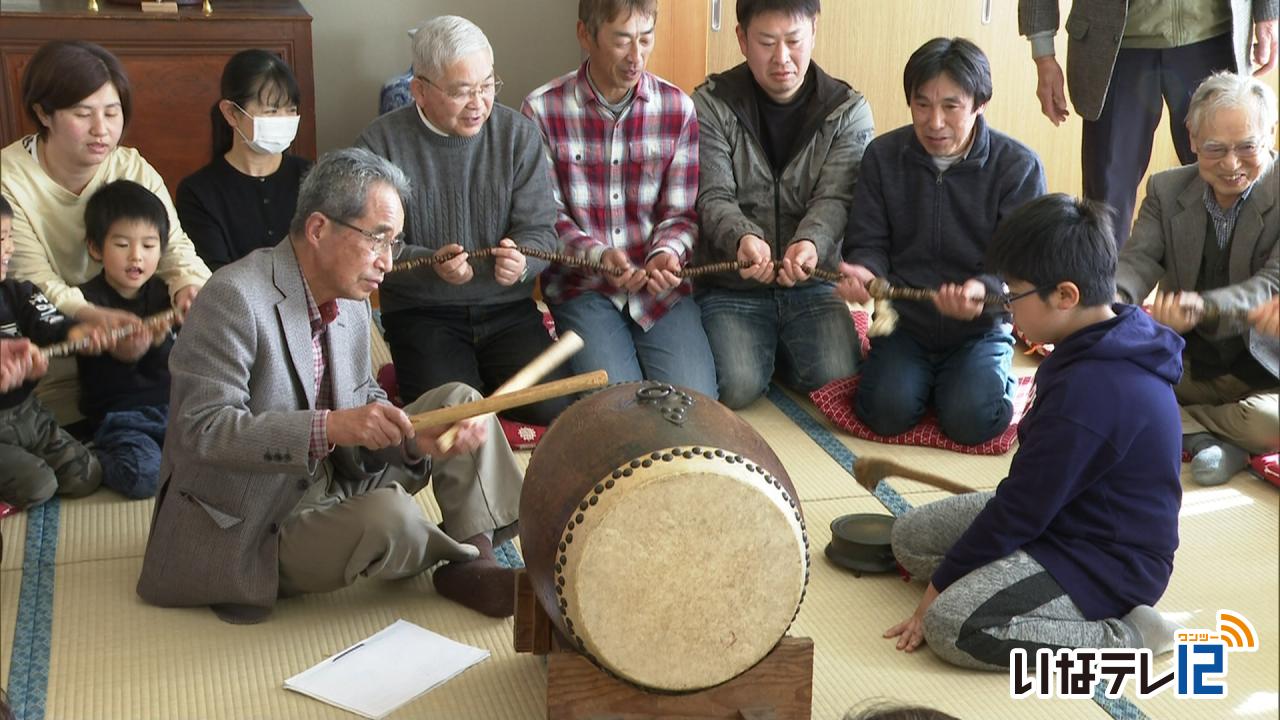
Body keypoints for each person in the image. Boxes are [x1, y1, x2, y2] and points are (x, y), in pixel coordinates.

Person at [136, 148, 525, 623]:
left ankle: (475, 557)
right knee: (390, 517)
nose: (386, 261)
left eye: (395, 244)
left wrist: (409, 439)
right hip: (257, 517)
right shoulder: (233, 297)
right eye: (377, 239)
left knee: (462, 402)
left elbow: (364, 399)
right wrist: (332, 427)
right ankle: (459, 555)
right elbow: (203, 430)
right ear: (318, 228)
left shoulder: (354, 298)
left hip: (337, 478)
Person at [886, 193, 1184, 671]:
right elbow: (1025, 502)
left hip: (1103, 561)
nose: (1006, 306)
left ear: (1065, 295)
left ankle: (1128, 636)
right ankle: (1004, 579)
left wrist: (933, 597)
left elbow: (1020, 510)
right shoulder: (1103, 334)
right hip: (1056, 515)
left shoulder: (1096, 391)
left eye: (1013, 294)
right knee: (910, 540)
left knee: (954, 627)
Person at [357, 16, 569, 425]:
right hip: (423, 313)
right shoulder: (380, 143)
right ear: (419, 90)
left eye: (487, 86)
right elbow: (370, 244)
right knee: (453, 416)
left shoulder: (517, 135)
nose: (479, 103)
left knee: (553, 408)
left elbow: (542, 232)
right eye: (461, 91)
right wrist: (429, 263)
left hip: (507, 310)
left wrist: (524, 261)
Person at [838, 38, 1046, 445]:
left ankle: (981, 379)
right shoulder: (883, 156)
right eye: (922, 104)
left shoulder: (1018, 166)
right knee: (884, 412)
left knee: (974, 421)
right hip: (904, 323)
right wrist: (865, 271)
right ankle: (926, 382)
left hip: (980, 329)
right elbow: (867, 240)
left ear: (980, 104)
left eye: (951, 106)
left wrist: (984, 289)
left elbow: (1023, 266)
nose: (934, 122)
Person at [0, 40, 210, 425]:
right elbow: (35, 282)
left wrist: (188, 284)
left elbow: (174, 247)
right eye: (83, 114)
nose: (102, 130)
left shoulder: (131, 167)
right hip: (61, 348)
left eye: (112, 113)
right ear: (43, 114)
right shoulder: (9, 180)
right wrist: (91, 316)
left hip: (142, 341)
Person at [522, 0, 718, 398]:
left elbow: (681, 213)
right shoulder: (542, 109)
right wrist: (599, 256)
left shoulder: (677, 108)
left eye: (646, 39)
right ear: (585, 35)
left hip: (659, 291)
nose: (636, 57)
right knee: (617, 405)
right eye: (622, 41)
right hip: (584, 288)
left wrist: (667, 253)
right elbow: (546, 219)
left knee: (697, 402)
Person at [691, 0, 871, 409]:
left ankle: (776, 350)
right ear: (742, 39)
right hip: (732, 282)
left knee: (837, 380)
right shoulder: (712, 103)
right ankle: (764, 353)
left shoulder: (848, 110)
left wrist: (809, 243)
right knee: (735, 387)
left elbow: (836, 198)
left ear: (814, 30)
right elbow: (712, 194)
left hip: (811, 282)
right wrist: (743, 238)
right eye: (767, 42)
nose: (782, 58)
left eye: (793, 40)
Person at [1117, 72, 1279, 486]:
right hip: (1191, 363)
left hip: (1267, 369)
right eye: (1215, 149)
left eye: (1247, 147)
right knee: (1112, 385)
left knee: (1269, 422)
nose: (1231, 164)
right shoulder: (1166, 190)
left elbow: (1270, 285)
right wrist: (1111, 303)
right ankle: (1218, 440)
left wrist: (1202, 306)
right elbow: (1136, 263)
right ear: (1191, 139)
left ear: (1270, 134)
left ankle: (1196, 433)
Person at [1018, 0, 1278, 247]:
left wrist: (1268, 12)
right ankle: (1104, 289)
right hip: (1115, 46)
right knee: (1107, 198)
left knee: (1229, 181)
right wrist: (1043, 53)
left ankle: (1224, 291)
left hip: (1212, 35)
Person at [0, 195, 104, 509]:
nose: (9, 248)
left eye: (9, 237)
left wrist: (78, 332)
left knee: (88, 477)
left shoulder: (17, 292)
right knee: (39, 487)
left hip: (29, 413)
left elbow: (51, 323)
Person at [75, 181, 178, 499]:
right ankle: (87, 457)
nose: (136, 257)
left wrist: (167, 336)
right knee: (144, 478)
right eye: (122, 245)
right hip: (119, 417)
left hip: (174, 410)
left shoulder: (168, 294)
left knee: (220, 460)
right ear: (95, 248)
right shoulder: (85, 303)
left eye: (148, 246)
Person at [177, 49, 313, 272]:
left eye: (291, 110)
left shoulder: (310, 176)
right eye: (271, 111)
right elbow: (215, 275)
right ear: (231, 113)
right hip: (235, 304)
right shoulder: (198, 192)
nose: (284, 120)